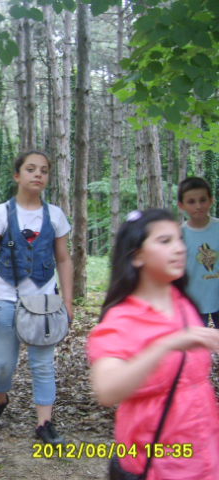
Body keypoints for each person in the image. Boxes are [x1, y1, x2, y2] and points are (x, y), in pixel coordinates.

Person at [87, 209, 219, 480]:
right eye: (165, 241)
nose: (180, 249)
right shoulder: (120, 319)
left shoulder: (184, 303)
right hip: (158, 466)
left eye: (179, 239)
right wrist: (165, 345)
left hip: (207, 458)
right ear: (136, 256)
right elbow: (106, 391)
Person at [0, 150, 73, 445]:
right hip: (6, 299)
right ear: (17, 175)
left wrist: (67, 303)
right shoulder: (2, 212)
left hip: (44, 303)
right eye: (30, 169)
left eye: (43, 170)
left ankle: (44, 423)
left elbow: (64, 260)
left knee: (42, 364)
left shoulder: (55, 215)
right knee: (4, 363)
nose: (38, 174)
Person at [177, 176, 219, 327]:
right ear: (181, 205)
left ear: (211, 200)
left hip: (217, 297)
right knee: (196, 348)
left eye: (203, 200)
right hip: (194, 302)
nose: (198, 206)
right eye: (191, 202)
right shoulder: (179, 235)